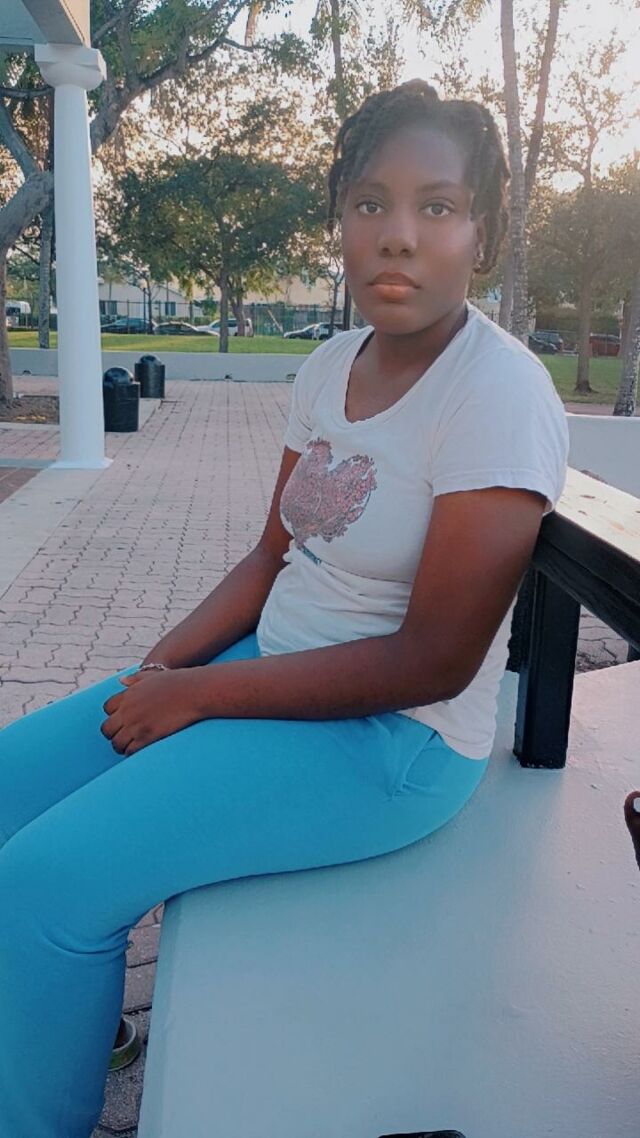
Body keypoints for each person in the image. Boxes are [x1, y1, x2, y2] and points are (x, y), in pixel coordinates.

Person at [0, 79, 569, 1138]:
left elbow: (435, 660)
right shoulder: (328, 366)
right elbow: (271, 555)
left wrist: (200, 698)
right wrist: (161, 672)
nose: (398, 235)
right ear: (340, 222)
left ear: (482, 236)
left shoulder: (497, 395)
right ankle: (67, 1015)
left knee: (41, 883)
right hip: (270, 669)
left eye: (438, 207)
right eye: (370, 202)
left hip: (392, 740)